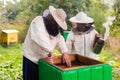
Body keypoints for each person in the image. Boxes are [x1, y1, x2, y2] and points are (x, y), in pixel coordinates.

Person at [22, 6, 71, 80]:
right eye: (55, 22)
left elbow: (60, 40)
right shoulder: (38, 21)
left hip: (45, 62)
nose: (56, 25)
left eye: (58, 24)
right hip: (31, 59)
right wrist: (50, 50)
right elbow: (40, 37)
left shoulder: (54, 29)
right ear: (51, 18)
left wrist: (65, 52)